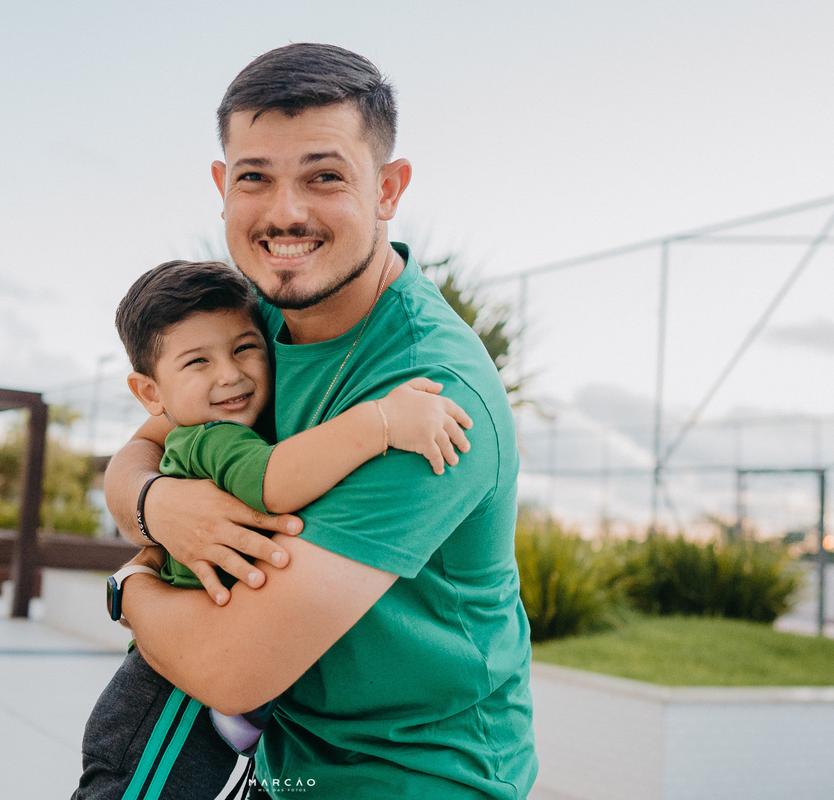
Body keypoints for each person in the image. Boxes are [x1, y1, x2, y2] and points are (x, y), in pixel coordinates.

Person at [103, 43, 538, 799]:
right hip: (291, 769)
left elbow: (232, 670)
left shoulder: (429, 398)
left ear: (387, 189)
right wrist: (159, 506)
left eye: (324, 177)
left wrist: (126, 587)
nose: (285, 213)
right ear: (222, 187)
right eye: (255, 178)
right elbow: (140, 450)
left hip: (417, 780)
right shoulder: (254, 324)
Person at [74, 258, 473, 799]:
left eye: (245, 348)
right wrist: (380, 422)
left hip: (201, 690)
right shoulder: (212, 437)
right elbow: (274, 483)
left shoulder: (235, 414)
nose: (229, 374)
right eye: (198, 361)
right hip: (169, 695)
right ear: (150, 394)